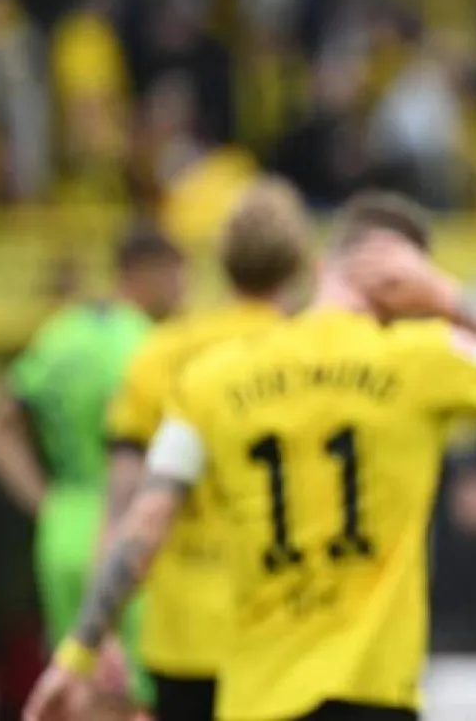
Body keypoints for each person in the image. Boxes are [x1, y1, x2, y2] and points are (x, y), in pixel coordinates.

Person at [24, 191, 476, 721]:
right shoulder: (422, 361)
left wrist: (77, 654)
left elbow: (145, 517)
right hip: (370, 688)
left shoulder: (213, 376)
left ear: (320, 266)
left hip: (254, 693)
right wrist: (451, 299)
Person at [101, 177, 312, 721]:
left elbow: (124, 501)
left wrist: (97, 630)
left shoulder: (162, 351)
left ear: (220, 258)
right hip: (286, 631)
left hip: (182, 635)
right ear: (299, 261)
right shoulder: (317, 358)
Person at [0, 222, 186, 701]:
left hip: (63, 527)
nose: (182, 291)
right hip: (128, 528)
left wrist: (43, 499)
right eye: (178, 276)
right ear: (149, 273)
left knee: (73, 685)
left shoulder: (61, 333)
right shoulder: (147, 343)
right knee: (133, 690)